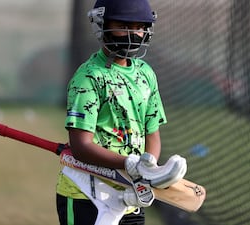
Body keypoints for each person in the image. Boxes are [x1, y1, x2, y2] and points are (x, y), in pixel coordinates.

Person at [55, 0, 170, 224]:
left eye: (138, 27)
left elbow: (152, 132)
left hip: (129, 196)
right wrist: (128, 163)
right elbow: (81, 147)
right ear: (102, 24)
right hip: (85, 194)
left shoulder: (146, 74)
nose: (132, 34)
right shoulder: (89, 77)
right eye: (123, 25)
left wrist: (148, 166)